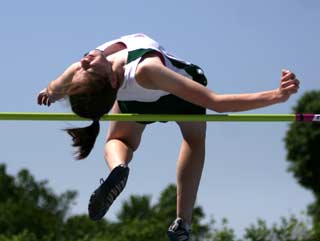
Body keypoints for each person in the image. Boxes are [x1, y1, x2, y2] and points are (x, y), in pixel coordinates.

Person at [37, 33, 300, 241]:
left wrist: (49, 93)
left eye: (83, 65)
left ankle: (119, 167)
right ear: (111, 82)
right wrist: (276, 96)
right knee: (193, 141)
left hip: (136, 99)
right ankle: (182, 222)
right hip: (176, 95)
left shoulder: (86, 73)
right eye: (89, 67)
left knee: (119, 142)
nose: (85, 61)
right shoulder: (145, 69)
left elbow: (58, 86)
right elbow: (217, 103)